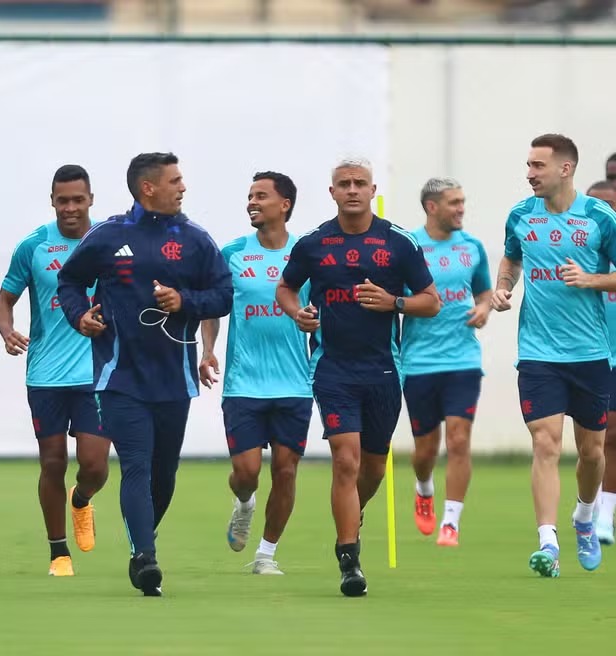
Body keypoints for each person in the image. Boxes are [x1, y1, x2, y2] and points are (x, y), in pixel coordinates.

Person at [57, 152, 233, 596]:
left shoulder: (195, 239)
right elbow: (69, 282)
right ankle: (145, 557)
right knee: (136, 464)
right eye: (175, 180)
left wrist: (185, 302)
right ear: (148, 188)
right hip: (120, 378)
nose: (183, 187)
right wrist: (81, 317)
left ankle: (141, 538)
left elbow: (223, 295)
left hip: (174, 380)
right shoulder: (109, 235)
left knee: (164, 474)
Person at [277, 157, 440, 597]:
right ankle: (349, 560)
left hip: (384, 370)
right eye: (343, 184)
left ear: (372, 190)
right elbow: (286, 288)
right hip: (331, 369)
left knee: (370, 468)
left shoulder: (398, 243)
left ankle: (355, 513)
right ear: (331, 192)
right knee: (345, 461)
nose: (352, 190)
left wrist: (394, 303)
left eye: (359, 183)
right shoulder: (314, 244)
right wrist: (299, 314)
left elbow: (431, 300)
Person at [492, 134, 616, 578]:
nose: (529, 174)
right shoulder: (521, 216)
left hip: (590, 353)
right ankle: (548, 542)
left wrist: (591, 280)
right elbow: (511, 260)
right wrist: (503, 287)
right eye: (528, 165)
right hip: (539, 353)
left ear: (565, 169)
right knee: (545, 443)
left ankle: (584, 517)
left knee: (592, 453)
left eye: (537, 166)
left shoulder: (600, 217)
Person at [0, 164, 111, 577]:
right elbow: (2, 300)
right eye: (63, 200)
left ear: (91, 199)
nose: (71, 208)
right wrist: (8, 332)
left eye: (79, 200)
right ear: (53, 201)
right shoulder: (35, 246)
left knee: (95, 465)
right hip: (46, 374)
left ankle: (81, 499)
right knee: (52, 463)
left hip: (97, 374)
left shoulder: (110, 242)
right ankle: (58, 552)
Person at [199, 171, 311, 575]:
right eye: (249, 195)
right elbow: (213, 306)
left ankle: (266, 554)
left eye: (261, 196)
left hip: (295, 382)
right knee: (247, 473)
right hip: (244, 383)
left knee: (285, 470)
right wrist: (208, 350)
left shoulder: (306, 253)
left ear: (284, 205)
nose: (252, 202)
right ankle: (244, 503)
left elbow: (323, 309)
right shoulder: (233, 253)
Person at [401, 178, 492, 547]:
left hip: (463, 359)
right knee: (425, 449)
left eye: (463, 201)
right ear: (431, 207)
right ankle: (424, 489)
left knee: (458, 440)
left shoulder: (472, 247)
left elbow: (484, 289)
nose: (461, 209)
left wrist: (484, 307)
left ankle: (450, 523)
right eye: (453, 202)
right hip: (419, 362)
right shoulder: (408, 247)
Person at [585, 180, 616, 544]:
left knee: (611, 437)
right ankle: (589, 509)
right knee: (596, 439)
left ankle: (603, 516)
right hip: (590, 354)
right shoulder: (581, 250)